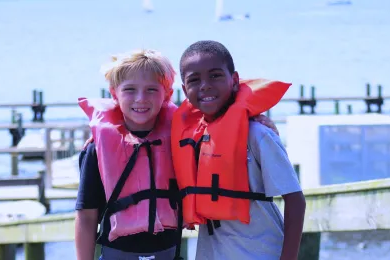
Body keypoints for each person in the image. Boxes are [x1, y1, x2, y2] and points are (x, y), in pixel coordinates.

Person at [75, 49, 280, 260]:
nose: (140, 99)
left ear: (167, 93)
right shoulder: (97, 150)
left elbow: (221, 116)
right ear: (114, 93)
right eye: (130, 89)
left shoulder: (183, 140)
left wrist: (253, 118)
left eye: (151, 90)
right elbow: (86, 217)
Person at [172, 40, 306, 260]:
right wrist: (95, 140)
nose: (205, 85)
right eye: (194, 80)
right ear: (185, 90)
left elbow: (295, 200)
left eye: (215, 75)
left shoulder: (259, 134)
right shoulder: (190, 139)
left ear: (234, 80)